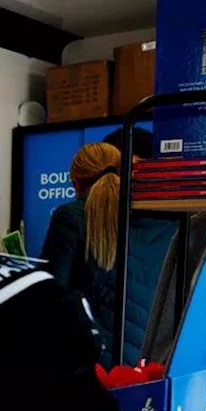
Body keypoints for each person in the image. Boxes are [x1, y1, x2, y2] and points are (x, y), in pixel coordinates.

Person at [41, 142, 177, 368]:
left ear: (75, 183)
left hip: (92, 361)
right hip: (151, 361)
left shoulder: (70, 217)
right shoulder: (162, 218)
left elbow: (50, 296)